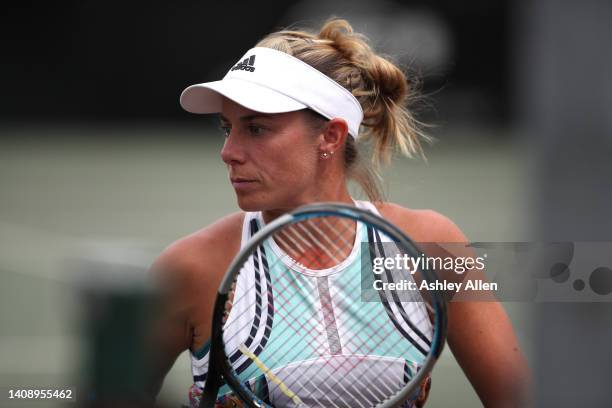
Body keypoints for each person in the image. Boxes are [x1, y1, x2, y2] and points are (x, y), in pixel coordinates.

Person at [150, 18, 531, 407]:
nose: (228, 151)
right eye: (226, 128)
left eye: (257, 129)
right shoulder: (193, 266)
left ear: (330, 136)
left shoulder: (429, 246)